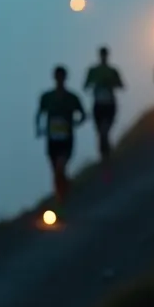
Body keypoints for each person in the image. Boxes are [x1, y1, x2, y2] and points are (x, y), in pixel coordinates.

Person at [37, 65, 87, 207]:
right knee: (55, 171)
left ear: (65, 78)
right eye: (57, 77)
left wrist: (75, 123)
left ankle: (62, 197)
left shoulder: (72, 98)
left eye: (61, 77)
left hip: (66, 138)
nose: (59, 80)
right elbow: (39, 114)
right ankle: (61, 195)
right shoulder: (47, 97)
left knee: (60, 166)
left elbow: (83, 114)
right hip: (52, 139)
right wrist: (39, 128)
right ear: (54, 78)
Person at [83, 46, 125, 169]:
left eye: (105, 55)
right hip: (98, 105)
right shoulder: (93, 71)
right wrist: (96, 84)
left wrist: (110, 83)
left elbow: (121, 85)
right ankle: (104, 156)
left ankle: (107, 155)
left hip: (110, 104)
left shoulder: (113, 71)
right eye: (102, 55)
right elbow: (86, 85)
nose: (103, 57)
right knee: (100, 132)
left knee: (105, 130)